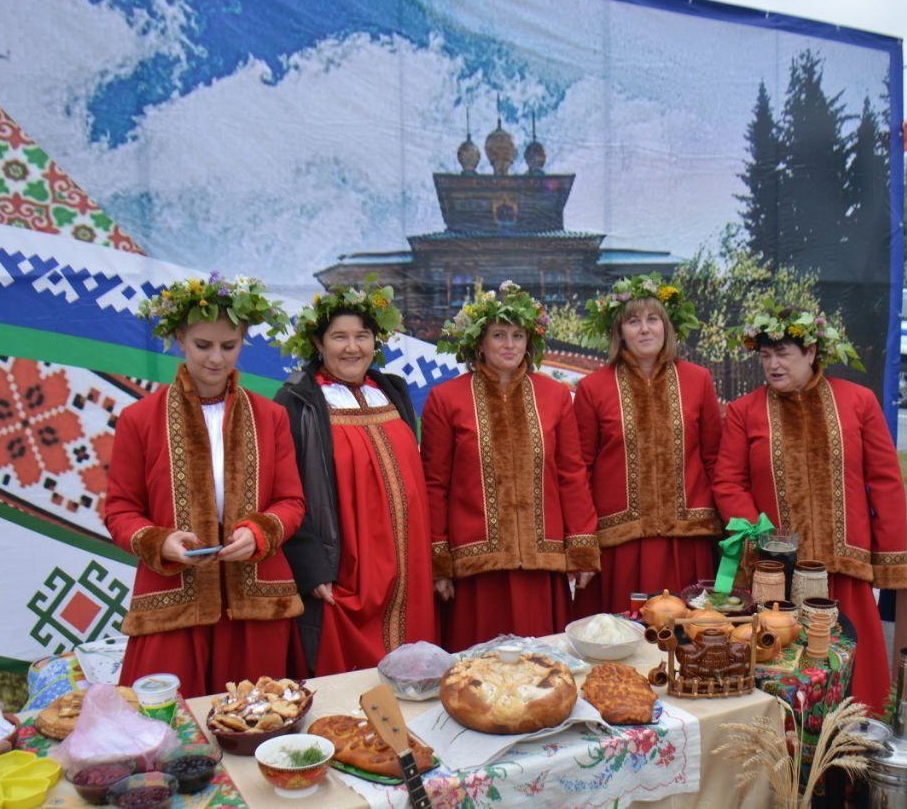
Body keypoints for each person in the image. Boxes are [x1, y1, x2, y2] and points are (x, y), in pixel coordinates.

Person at [106, 275, 305, 699]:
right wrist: (161, 542)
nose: (216, 358)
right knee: (169, 727)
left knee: (259, 720)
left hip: (257, 598)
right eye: (203, 345)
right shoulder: (138, 419)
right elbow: (119, 510)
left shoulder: (271, 416)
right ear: (180, 338)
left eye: (228, 346)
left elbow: (291, 502)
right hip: (172, 596)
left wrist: (258, 534)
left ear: (243, 341)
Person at [713, 303, 907, 712]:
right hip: (776, 576)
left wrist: (888, 559)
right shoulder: (745, 412)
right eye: (765, 356)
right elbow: (728, 481)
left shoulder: (858, 402)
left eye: (783, 353)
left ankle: (853, 750)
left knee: (857, 675)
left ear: (812, 352)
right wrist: (760, 535)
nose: (773, 365)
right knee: (781, 668)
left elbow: (885, 481)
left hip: (844, 567)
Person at [421, 281, 600, 652]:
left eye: (518, 335)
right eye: (498, 334)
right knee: (479, 675)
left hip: (541, 565)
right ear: (479, 343)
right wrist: (440, 562)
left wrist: (581, 548)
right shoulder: (447, 398)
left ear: (529, 343)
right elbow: (434, 484)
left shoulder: (554, 396)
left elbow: (572, 475)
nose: (509, 344)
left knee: (541, 669)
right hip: (476, 570)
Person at [276, 278, 437, 675]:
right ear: (318, 343)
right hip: (347, 566)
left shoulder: (392, 390)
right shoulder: (299, 400)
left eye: (362, 336)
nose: (352, 347)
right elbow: (287, 488)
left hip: (408, 563)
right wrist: (312, 566)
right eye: (339, 337)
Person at [571, 273, 722, 615]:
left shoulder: (698, 380)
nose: (644, 329)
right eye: (633, 321)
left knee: (690, 638)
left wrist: (730, 532)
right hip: (621, 546)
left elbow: (715, 459)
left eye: (653, 319)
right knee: (625, 639)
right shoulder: (594, 387)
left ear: (666, 326)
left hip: (687, 542)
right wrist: (583, 540)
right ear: (619, 331)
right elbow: (580, 468)